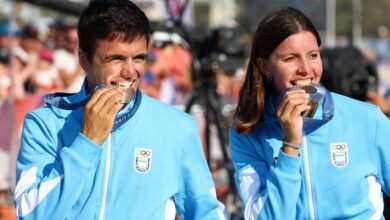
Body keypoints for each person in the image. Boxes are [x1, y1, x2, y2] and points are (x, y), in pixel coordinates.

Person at [14, 0, 226, 219]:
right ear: (84, 60)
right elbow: (32, 214)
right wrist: (87, 142)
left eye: (139, 58)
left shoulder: (177, 127)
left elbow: (206, 212)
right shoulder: (45, 123)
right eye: (115, 58)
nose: (129, 72)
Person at [229, 7, 390, 219]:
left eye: (313, 55)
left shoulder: (367, 118)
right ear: (265, 66)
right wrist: (290, 147)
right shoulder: (247, 130)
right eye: (290, 59)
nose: (306, 69)